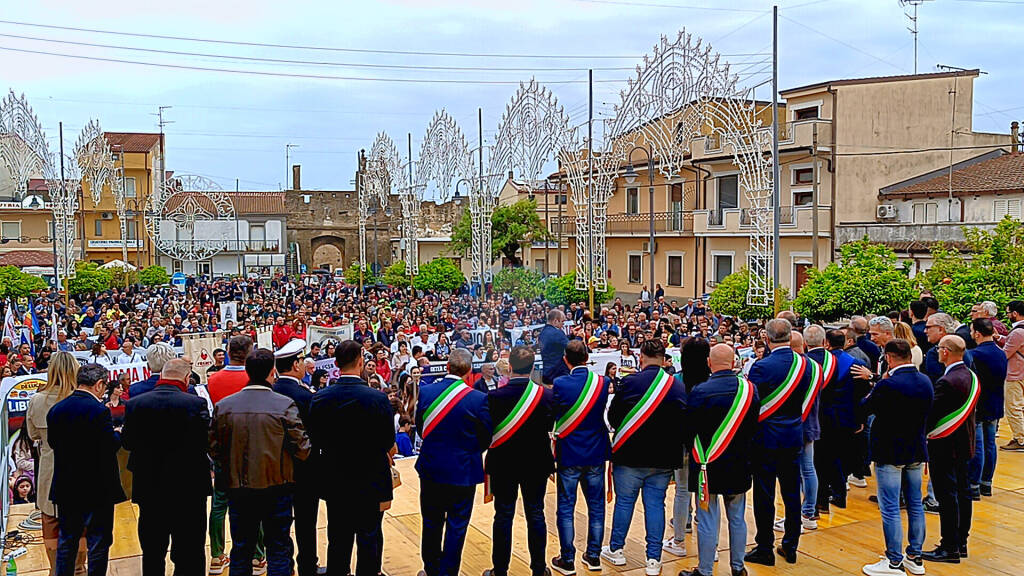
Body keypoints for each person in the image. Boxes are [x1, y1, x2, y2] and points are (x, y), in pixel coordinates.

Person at [210, 348, 311, 576]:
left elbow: (214, 449)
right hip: (278, 487)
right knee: (278, 549)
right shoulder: (284, 405)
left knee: (241, 550)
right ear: (272, 372)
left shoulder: (224, 406)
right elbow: (303, 449)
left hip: (239, 488)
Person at [308, 340, 395, 576]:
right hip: (371, 479)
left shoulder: (320, 399)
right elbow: (388, 440)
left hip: (336, 479)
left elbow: (315, 440)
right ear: (360, 362)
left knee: (338, 538)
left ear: (336, 364)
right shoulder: (377, 399)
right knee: (369, 537)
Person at [603, 339, 687, 576]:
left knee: (624, 503)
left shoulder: (629, 382)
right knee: (655, 506)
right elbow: (682, 423)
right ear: (664, 358)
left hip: (630, 454)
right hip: (663, 457)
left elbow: (614, 416)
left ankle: (616, 549)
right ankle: (653, 559)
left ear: (641, 356)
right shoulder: (677, 386)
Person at [122, 358, 211, 576]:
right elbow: (205, 443)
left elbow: (127, 443)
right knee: (190, 550)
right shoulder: (195, 403)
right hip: (188, 488)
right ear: (187, 378)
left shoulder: (136, 404)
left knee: (153, 551)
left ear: (161, 376)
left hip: (150, 488)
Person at [679, 344, 759, 576]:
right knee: (737, 518)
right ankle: (738, 567)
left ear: (709, 363)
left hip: (708, 464)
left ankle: (705, 571)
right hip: (739, 462)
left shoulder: (700, 391)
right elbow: (754, 425)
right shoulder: (750, 389)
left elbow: (688, 430)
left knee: (706, 518)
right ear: (734, 362)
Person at [415, 348, 490, 576]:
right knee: (457, 526)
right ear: (469, 371)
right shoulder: (478, 399)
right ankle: (449, 572)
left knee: (431, 522)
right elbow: (486, 436)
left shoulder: (426, 392)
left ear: (447, 366)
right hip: (463, 470)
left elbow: (421, 427)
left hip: (432, 467)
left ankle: (431, 570)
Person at [860, 339, 932, 576]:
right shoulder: (925, 381)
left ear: (889, 358)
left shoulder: (887, 385)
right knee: (914, 505)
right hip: (916, 449)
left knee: (890, 507)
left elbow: (865, 408)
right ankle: (915, 556)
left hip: (889, 451)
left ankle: (893, 561)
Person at [47, 363, 127, 576]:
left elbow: (53, 442)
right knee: (98, 542)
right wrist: (118, 433)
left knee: (67, 541)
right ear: (100, 384)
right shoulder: (99, 410)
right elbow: (110, 444)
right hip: (97, 487)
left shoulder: (57, 409)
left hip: (66, 485)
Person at [484, 345, 555, 576]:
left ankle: (500, 570)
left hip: (504, 463)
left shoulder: (494, 397)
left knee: (503, 515)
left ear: (510, 367)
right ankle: (538, 569)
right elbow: (548, 426)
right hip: (536, 462)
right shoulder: (546, 395)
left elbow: (487, 432)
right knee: (536, 513)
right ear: (533, 367)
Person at [745, 318, 810, 566]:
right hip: (793, 434)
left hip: (765, 437)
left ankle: (765, 547)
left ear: (768, 339)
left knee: (764, 495)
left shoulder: (761, 366)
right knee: (792, 492)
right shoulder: (805, 365)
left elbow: (753, 403)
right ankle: (791, 545)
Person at [206, 335, 267, 575]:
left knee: (219, 504)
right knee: (256, 503)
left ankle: (216, 556)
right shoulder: (254, 378)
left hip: (223, 447)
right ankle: (258, 556)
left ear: (229, 351)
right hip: (253, 448)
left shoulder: (213, 379)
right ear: (250, 352)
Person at [26, 351, 88, 575]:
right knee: (80, 521)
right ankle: (79, 568)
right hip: (80, 467)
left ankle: (56, 569)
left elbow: (32, 434)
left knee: (51, 520)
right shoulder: (85, 399)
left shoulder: (37, 400)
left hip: (50, 467)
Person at [551, 341, 610, 574]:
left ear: (566, 359)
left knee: (566, 507)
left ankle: (567, 560)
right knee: (596, 507)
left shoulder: (560, 383)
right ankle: (593, 556)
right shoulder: (602, 382)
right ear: (588, 357)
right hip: (595, 452)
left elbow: (555, 413)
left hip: (569, 452)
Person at [271, 339, 324, 576]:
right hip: (305, 468)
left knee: (278, 524)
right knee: (305, 523)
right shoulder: (305, 395)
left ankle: (285, 567)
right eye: (301, 361)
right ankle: (307, 566)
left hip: (275, 468)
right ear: (295, 365)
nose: (303, 364)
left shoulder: (271, 391)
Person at [922, 335, 977, 564]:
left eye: (939, 348)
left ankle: (949, 546)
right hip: (965, 443)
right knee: (963, 494)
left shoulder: (947, 381)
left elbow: (932, 414)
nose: (936, 352)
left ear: (946, 352)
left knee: (947, 496)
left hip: (946, 445)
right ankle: (961, 541)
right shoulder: (970, 375)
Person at [966, 318, 1007, 498]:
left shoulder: (975, 354)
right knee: (990, 444)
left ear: (977, 333)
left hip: (979, 404)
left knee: (978, 445)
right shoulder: (1000, 352)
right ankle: (986, 483)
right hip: (995, 402)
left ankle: (973, 484)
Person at [1002, 300, 1024, 451]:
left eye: (1008, 313)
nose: (1008, 316)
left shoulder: (1017, 332)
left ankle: (1021, 439)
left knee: (1013, 407)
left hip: (1015, 374)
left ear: (1015, 314)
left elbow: (1006, 353)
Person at [539, 309, 570, 385]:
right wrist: (579, 337)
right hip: (558, 374)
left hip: (547, 372)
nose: (563, 324)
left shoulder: (543, 332)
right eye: (562, 321)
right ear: (556, 321)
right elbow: (571, 347)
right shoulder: (557, 333)